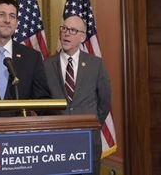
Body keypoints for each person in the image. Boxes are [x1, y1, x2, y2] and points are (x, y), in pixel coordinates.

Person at [43, 15, 111, 175]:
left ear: (82, 37)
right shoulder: (46, 65)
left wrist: (90, 124)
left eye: (73, 30)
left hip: (87, 140)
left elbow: (105, 102)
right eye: (64, 29)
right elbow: (42, 102)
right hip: (56, 142)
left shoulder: (96, 64)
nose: (66, 33)